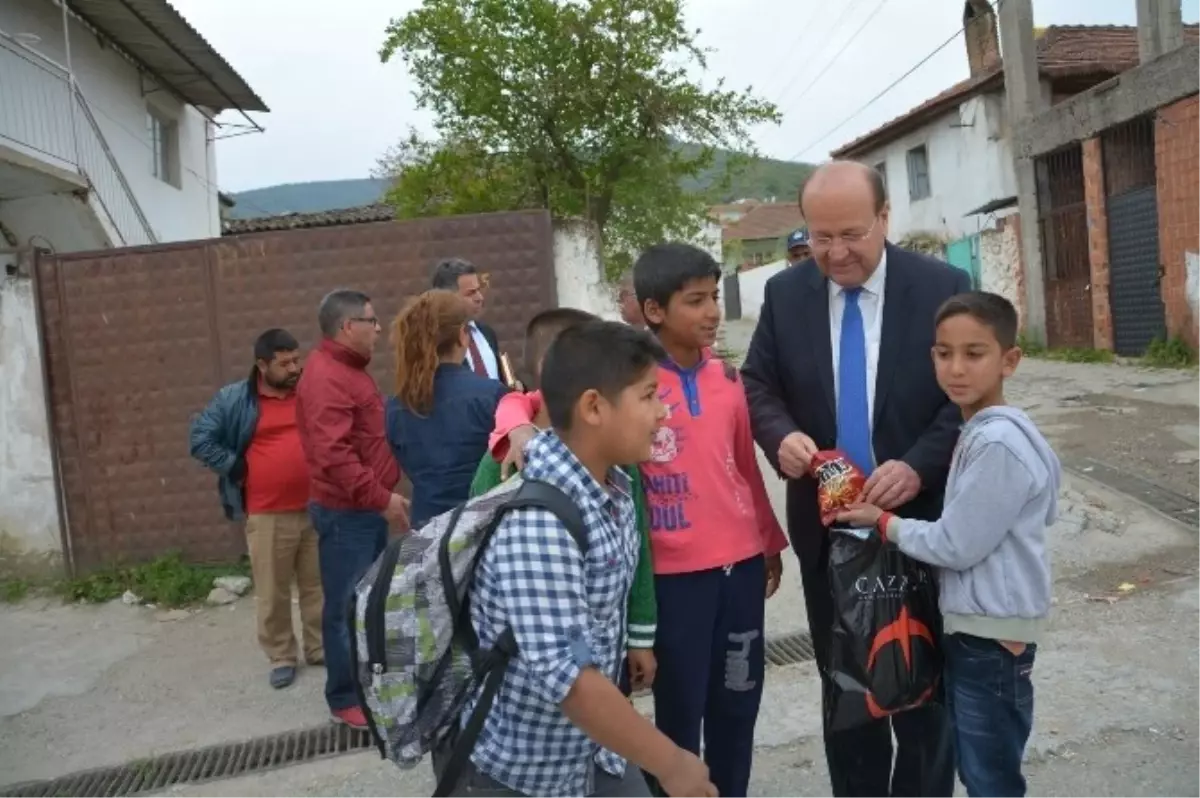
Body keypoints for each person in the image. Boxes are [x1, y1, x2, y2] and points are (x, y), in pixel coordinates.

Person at [487, 246, 789, 798]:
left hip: (739, 567)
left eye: (714, 298)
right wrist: (516, 426)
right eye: (695, 301)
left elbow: (744, 466)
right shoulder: (628, 380)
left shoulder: (726, 378)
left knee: (738, 701)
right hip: (676, 578)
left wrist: (768, 541)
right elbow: (533, 399)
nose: (711, 312)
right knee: (679, 714)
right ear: (653, 309)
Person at [740, 159, 971, 798]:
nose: (836, 253)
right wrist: (779, 434)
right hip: (829, 529)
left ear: (885, 219)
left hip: (916, 521)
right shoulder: (786, 297)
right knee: (846, 687)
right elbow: (757, 384)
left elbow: (971, 398)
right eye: (821, 237)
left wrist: (920, 462)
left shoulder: (941, 287)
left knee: (926, 688)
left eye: (852, 235)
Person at [453, 320, 715, 798]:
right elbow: (571, 681)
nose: (663, 412)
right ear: (594, 406)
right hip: (521, 776)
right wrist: (672, 763)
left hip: (593, 752)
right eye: (649, 395)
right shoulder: (540, 524)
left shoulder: (611, 487)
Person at [835, 292, 1060, 798]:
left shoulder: (998, 443)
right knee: (981, 768)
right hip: (981, 629)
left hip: (991, 640)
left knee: (989, 777)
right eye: (943, 353)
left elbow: (956, 544)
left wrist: (883, 522)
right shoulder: (983, 430)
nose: (956, 368)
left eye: (974, 354)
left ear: (1010, 360)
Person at [468, 308, 658, 693]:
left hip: (603, 665)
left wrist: (639, 636)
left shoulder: (618, 463)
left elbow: (636, 550)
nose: (663, 411)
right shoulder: (505, 465)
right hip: (528, 689)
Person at [296, 289, 409, 730]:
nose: (379, 328)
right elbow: (334, 457)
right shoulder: (328, 378)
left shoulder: (347, 371)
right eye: (371, 320)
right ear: (347, 327)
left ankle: (366, 685)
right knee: (345, 606)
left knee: (363, 603)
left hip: (362, 510)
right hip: (349, 515)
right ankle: (344, 698)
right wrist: (382, 499)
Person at [189, 328, 322, 690]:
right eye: (285, 363)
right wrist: (237, 467)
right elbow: (199, 439)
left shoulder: (308, 392)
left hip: (315, 507)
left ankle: (320, 646)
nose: (295, 368)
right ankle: (281, 655)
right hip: (268, 514)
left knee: (317, 585)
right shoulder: (235, 399)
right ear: (262, 365)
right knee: (273, 588)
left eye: (297, 360)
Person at [386, 290, 507, 529]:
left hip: (427, 530)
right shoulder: (491, 395)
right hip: (485, 525)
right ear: (463, 335)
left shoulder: (396, 407)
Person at [431, 258, 503, 381]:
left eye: (478, 290)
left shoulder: (487, 333)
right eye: (471, 293)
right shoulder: (434, 340)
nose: (479, 298)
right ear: (447, 297)